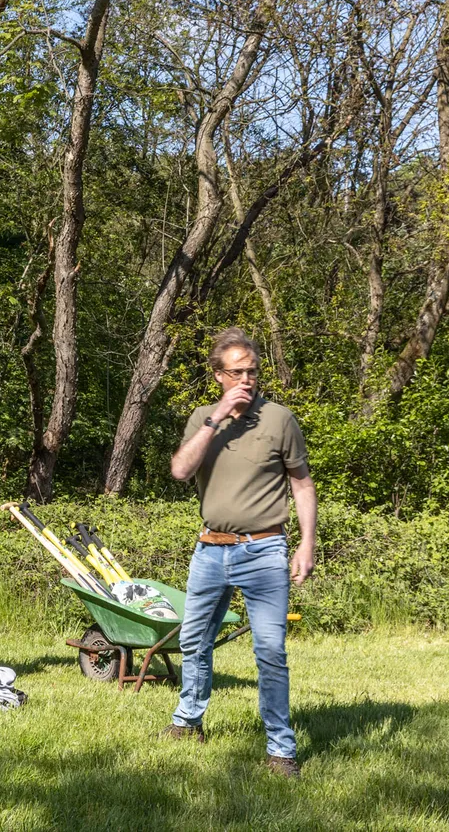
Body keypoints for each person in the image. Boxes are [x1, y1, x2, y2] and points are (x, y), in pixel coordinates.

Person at [160, 327, 317, 778]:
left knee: (270, 650)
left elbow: (302, 484)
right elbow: (180, 470)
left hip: (265, 549)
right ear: (218, 376)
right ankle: (188, 722)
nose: (247, 381)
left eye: (252, 372)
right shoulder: (202, 417)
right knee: (194, 641)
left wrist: (306, 544)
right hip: (210, 549)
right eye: (237, 373)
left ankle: (281, 751)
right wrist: (217, 420)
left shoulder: (280, 419)